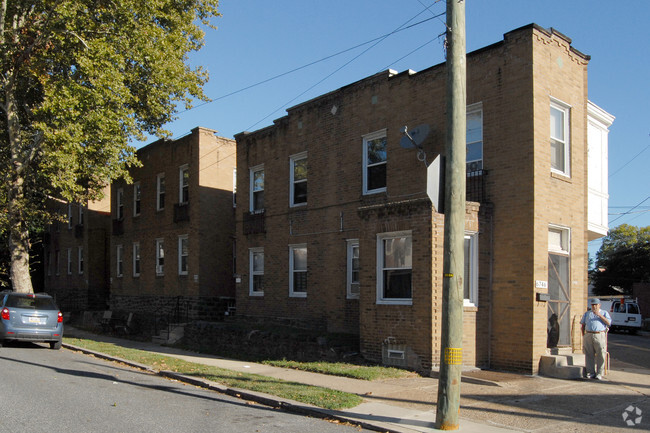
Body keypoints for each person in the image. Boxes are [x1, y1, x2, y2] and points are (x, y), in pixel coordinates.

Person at [580, 298, 611, 380]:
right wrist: (584, 335)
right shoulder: (587, 314)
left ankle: (599, 373)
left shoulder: (604, 313)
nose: (594, 307)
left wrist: (599, 315)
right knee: (589, 354)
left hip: (599, 334)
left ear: (599, 305)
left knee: (601, 353)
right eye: (593, 305)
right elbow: (583, 324)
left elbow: (608, 323)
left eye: (596, 305)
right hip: (589, 334)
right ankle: (590, 372)